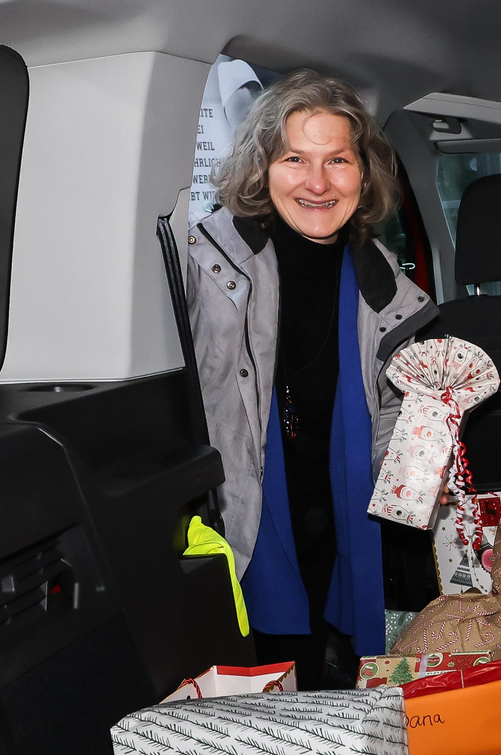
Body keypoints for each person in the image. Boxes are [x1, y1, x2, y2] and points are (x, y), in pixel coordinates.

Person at [186, 70, 437, 687]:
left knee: (338, 691)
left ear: (365, 172)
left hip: (346, 512)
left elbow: (397, 409)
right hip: (246, 514)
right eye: (295, 158)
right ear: (261, 167)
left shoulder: (381, 276)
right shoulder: (204, 261)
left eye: (338, 161)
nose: (318, 182)